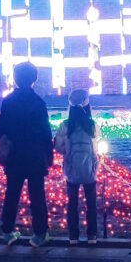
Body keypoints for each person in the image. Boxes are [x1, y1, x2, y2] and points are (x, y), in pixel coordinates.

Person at [0, 61, 53, 247]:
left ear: (15, 78)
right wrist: (48, 155)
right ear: (34, 79)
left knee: (12, 192)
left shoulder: (8, 101)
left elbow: (2, 130)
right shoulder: (39, 102)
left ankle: (7, 231)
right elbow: (45, 131)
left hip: (14, 154)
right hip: (35, 154)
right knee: (37, 194)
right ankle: (40, 233)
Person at [54, 89, 100, 245]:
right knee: (91, 204)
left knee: (72, 204)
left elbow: (59, 147)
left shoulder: (65, 125)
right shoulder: (92, 125)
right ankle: (92, 236)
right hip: (89, 169)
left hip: (71, 168)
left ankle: (73, 236)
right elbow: (97, 147)